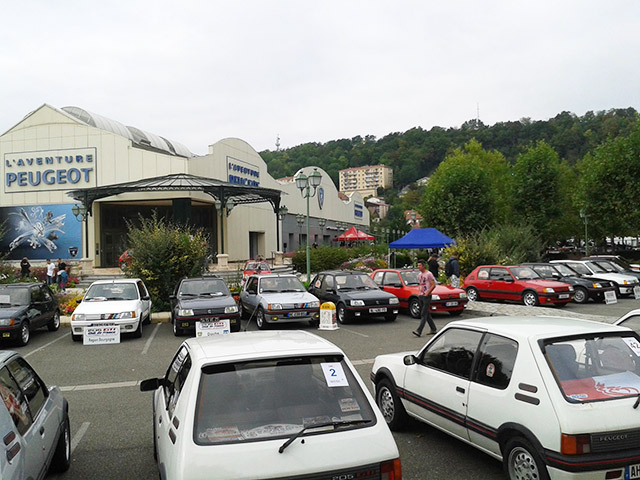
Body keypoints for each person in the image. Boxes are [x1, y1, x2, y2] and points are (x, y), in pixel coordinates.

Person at [413, 259, 437, 337]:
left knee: (423, 313)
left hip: (427, 296)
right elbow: (420, 285)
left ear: (423, 266)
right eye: (418, 265)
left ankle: (419, 331)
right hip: (421, 295)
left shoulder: (429, 274)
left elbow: (433, 285)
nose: (418, 267)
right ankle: (433, 328)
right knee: (426, 313)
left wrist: (427, 293)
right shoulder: (419, 275)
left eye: (420, 265)